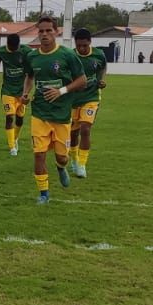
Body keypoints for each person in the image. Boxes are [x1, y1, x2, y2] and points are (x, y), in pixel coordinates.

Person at [21, 16, 87, 204]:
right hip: (39, 113)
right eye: (41, 31)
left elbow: (82, 81)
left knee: (62, 157)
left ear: (56, 32)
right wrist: (25, 93)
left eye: (48, 30)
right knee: (39, 155)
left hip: (62, 114)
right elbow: (29, 77)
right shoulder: (32, 56)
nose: (44, 34)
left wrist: (61, 91)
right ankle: (44, 194)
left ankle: (60, 167)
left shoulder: (67, 55)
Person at [70, 28, 107, 178]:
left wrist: (102, 80)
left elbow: (103, 67)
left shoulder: (99, 54)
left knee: (85, 129)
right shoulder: (70, 56)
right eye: (78, 45)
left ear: (90, 42)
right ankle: (74, 159)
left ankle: (82, 164)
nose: (81, 48)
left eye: (84, 45)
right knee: (73, 134)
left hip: (91, 97)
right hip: (73, 100)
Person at [0, 34, 30, 156]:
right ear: (7, 44)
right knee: (9, 117)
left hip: (22, 92)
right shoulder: (0, 51)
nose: (13, 50)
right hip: (7, 91)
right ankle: (12, 147)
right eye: (11, 47)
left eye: (15, 47)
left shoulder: (26, 51)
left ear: (19, 44)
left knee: (20, 119)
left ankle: (15, 138)